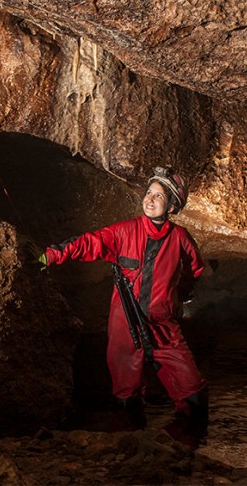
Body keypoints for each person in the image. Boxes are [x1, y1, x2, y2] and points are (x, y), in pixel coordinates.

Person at [38, 167, 208, 440]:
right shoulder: (124, 232)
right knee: (127, 401)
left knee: (194, 395)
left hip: (164, 327)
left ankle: (187, 455)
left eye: (159, 196)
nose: (150, 200)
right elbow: (88, 243)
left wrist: (178, 295)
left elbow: (194, 270)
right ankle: (130, 456)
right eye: (149, 193)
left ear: (173, 205)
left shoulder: (180, 239)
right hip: (126, 326)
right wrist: (51, 256)